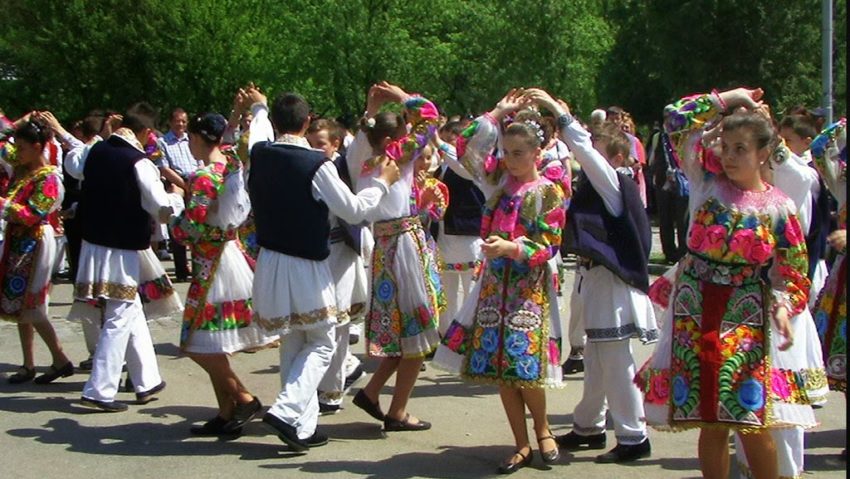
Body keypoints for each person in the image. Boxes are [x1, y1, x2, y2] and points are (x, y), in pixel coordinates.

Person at [637, 88, 813, 479]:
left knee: (750, 416)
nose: (730, 156)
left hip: (745, 315)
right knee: (708, 418)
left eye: (741, 149)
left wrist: (784, 307)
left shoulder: (779, 207)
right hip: (694, 311)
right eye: (727, 147)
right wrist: (729, 97)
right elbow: (675, 118)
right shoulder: (704, 182)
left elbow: (794, 270)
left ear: (763, 153)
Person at [244, 85, 399, 451]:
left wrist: (258, 108)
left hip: (269, 260)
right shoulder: (316, 164)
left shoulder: (260, 154)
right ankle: (286, 410)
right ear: (308, 121)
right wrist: (381, 183)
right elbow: (355, 210)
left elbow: (258, 130)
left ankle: (300, 425)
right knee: (323, 342)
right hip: (305, 263)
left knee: (293, 341)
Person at [434, 88, 565, 474]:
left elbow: (550, 246)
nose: (509, 160)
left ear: (537, 154)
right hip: (494, 287)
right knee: (501, 368)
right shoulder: (496, 184)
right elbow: (463, 148)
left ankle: (543, 429)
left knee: (526, 365)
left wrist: (513, 248)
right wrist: (496, 113)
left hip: (529, 291)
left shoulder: (548, 191)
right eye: (506, 153)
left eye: (518, 153)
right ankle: (521, 443)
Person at [525, 91, 656, 465]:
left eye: (598, 151)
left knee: (614, 361)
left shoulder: (614, 184)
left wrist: (560, 113)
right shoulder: (609, 185)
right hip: (599, 279)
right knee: (599, 358)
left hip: (612, 283)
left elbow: (582, 148)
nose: (589, 158)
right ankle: (588, 427)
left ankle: (633, 435)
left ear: (614, 157)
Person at [65, 102, 183, 412]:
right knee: (119, 314)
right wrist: (179, 199)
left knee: (130, 310)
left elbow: (72, 166)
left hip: (94, 242)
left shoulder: (96, 151)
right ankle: (100, 389)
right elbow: (160, 208)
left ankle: (146, 380)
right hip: (121, 249)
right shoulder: (139, 162)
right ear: (145, 132)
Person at [170, 113, 278, 435]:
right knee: (211, 341)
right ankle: (226, 410)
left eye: (191, 137)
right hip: (229, 255)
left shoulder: (205, 177)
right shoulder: (229, 165)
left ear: (201, 138)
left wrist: (173, 218)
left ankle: (243, 398)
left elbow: (193, 225)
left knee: (195, 343)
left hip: (212, 263)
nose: (189, 143)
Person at [345, 82, 443, 434]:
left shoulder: (359, 158)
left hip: (386, 247)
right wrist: (405, 98)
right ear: (393, 141)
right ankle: (398, 410)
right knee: (418, 330)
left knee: (404, 333)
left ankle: (372, 392)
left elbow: (363, 135)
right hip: (403, 244)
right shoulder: (396, 157)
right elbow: (430, 116)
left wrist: (371, 110)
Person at [0, 119, 73, 385]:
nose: (16, 152)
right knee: (22, 303)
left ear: (37, 147)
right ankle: (29, 362)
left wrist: (4, 206)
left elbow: (34, 214)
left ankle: (60, 357)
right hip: (20, 240)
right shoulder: (24, 167)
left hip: (36, 240)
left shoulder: (48, 177)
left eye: (22, 147)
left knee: (32, 302)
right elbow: (3, 147)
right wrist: (13, 127)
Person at [305, 118, 368, 414]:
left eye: (321, 145)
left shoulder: (343, 166)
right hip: (314, 253)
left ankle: (330, 394)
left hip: (341, 250)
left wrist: (369, 115)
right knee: (319, 321)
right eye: (310, 144)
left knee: (338, 322)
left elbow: (360, 148)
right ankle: (348, 366)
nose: (315, 150)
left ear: (335, 145)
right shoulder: (304, 168)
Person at [156, 108, 198, 281]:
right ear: (171, 122)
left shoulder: (193, 139)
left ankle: (197, 269)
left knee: (197, 226)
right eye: (177, 121)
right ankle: (181, 269)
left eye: (183, 121)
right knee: (178, 225)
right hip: (176, 183)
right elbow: (164, 168)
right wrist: (184, 185)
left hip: (196, 182)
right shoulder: (162, 142)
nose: (180, 124)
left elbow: (201, 160)